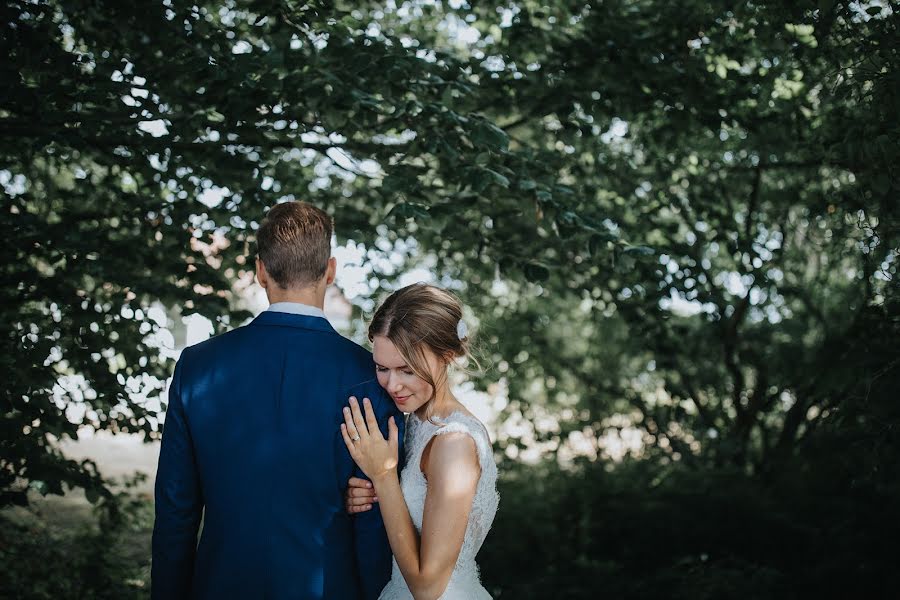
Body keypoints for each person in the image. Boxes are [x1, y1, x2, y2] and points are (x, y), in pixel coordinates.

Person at [151, 201, 403, 600]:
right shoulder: (369, 378)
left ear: (260, 271)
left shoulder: (198, 367)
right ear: (331, 271)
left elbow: (175, 510)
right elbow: (373, 520)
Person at [340, 284, 499, 600]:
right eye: (382, 368)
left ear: (447, 355)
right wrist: (367, 494)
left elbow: (428, 588)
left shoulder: (454, 443)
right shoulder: (416, 421)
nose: (393, 384)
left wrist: (384, 477)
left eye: (407, 370)